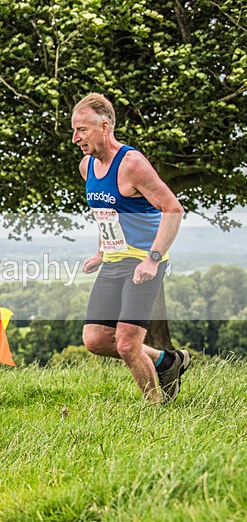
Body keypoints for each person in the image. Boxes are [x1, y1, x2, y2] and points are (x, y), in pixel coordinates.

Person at [71, 92, 190, 403]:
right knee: (96, 339)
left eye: (82, 129)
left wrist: (152, 259)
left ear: (105, 127)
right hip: (114, 261)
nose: (75, 138)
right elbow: (106, 212)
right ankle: (167, 362)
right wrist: (101, 250)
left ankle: (155, 409)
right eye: (74, 130)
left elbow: (172, 209)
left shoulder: (132, 163)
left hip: (143, 263)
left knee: (126, 344)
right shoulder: (87, 166)